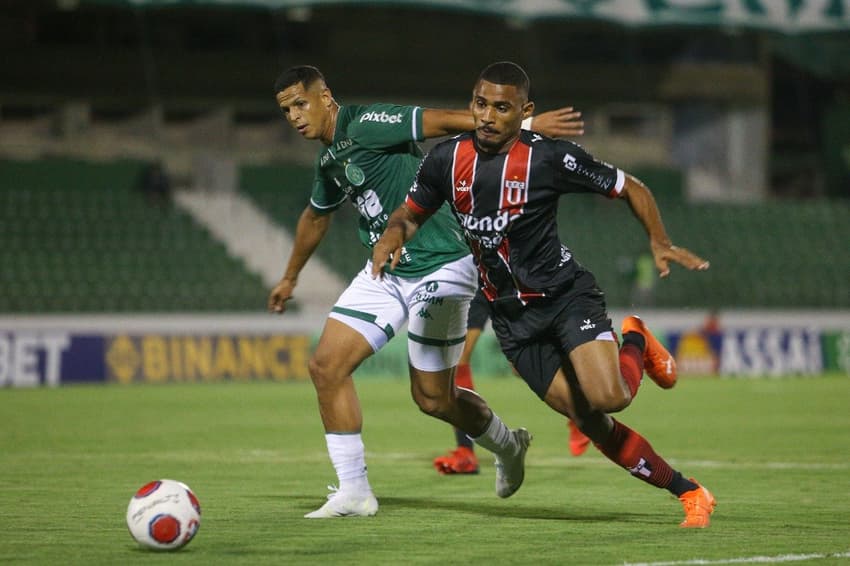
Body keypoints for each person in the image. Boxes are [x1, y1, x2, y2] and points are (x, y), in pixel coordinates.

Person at [372, 61, 717, 528]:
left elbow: (628, 186)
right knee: (590, 422)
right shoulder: (445, 158)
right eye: (480, 104)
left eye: (501, 107)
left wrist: (658, 240)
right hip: (513, 322)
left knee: (610, 398)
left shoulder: (550, 158)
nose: (488, 116)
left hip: (564, 297)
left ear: (524, 111)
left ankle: (634, 338)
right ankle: (690, 492)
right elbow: (410, 213)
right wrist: (394, 234)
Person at [267, 65, 585, 518]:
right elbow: (315, 217)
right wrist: (289, 277)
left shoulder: (367, 123)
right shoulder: (329, 160)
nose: (295, 117)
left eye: (301, 103)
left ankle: (507, 445)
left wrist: (527, 126)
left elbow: (441, 121)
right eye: (286, 111)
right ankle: (354, 492)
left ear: (325, 97)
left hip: (442, 263)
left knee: (433, 399)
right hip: (387, 271)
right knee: (325, 366)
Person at [433, 289, 591, 475]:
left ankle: (580, 412)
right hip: (471, 279)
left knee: (521, 364)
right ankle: (466, 451)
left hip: (503, 279)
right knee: (458, 358)